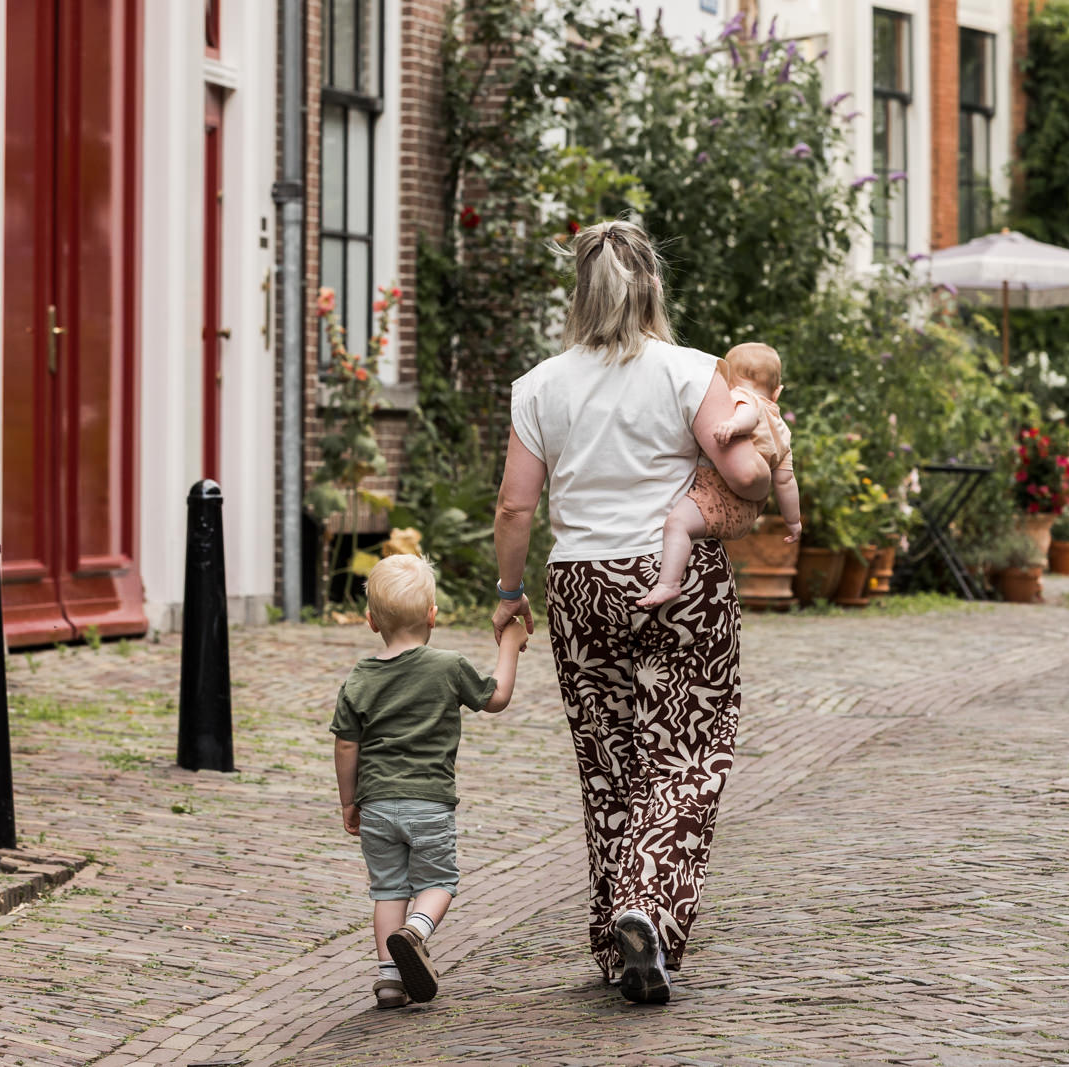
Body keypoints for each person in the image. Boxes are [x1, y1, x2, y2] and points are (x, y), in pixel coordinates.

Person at [491, 218, 771, 1005]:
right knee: (688, 753)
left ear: (581, 292)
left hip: (579, 582)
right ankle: (647, 905)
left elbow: (515, 506)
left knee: (608, 761)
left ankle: (618, 945)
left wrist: (510, 594)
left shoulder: (539, 385)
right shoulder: (691, 372)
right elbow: (745, 474)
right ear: (653, 285)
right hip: (677, 581)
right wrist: (761, 462)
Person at [331, 552, 529, 1010]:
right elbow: (496, 697)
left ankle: (389, 981)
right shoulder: (448, 666)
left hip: (376, 805)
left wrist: (348, 801)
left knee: (388, 889)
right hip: (429, 804)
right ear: (432, 616)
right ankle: (416, 932)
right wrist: (510, 643)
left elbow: (345, 745)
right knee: (439, 881)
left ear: (371, 622)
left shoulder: (359, 678)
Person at [637, 340, 802, 608]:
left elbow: (748, 413)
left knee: (677, 524)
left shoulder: (740, 399)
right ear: (777, 392)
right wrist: (793, 521)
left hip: (714, 495)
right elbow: (785, 481)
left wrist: (734, 425)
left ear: (727, 382)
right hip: (745, 513)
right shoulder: (783, 431)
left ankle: (669, 583)